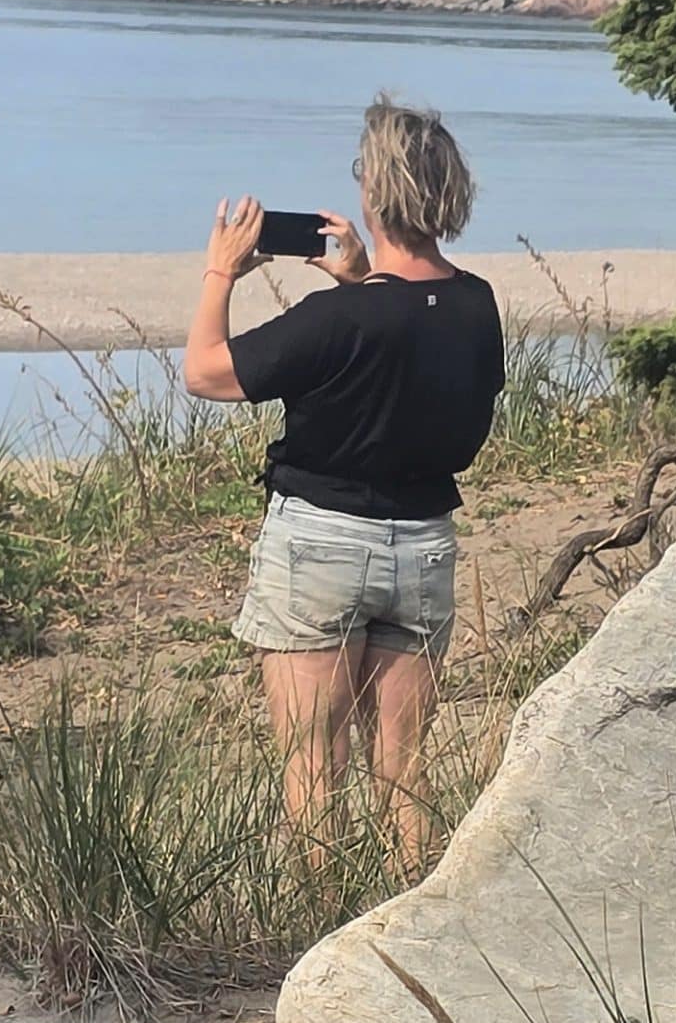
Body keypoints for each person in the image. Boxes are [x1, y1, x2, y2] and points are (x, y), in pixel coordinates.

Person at [182, 96, 504, 864]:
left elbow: (205, 373)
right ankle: (414, 924)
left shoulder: (339, 319)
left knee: (314, 769)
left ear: (375, 193)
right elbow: (408, 337)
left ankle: (320, 935)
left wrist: (220, 272)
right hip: (424, 544)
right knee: (404, 772)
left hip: (322, 542)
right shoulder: (475, 305)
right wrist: (361, 279)